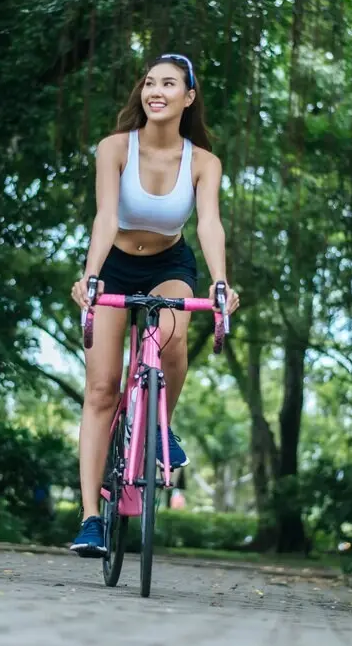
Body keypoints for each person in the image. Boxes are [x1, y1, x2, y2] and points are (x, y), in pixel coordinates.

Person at [67, 52, 239, 556]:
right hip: (116, 262)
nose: (155, 91)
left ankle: (160, 429)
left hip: (170, 266)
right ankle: (90, 518)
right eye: (148, 83)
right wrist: (92, 275)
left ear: (189, 97)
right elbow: (104, 216)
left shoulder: (204, 162)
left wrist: (221, 282)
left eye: (169, 84)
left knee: (174, 332)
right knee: (101, 391)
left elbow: (208, 223)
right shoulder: (114, 148)